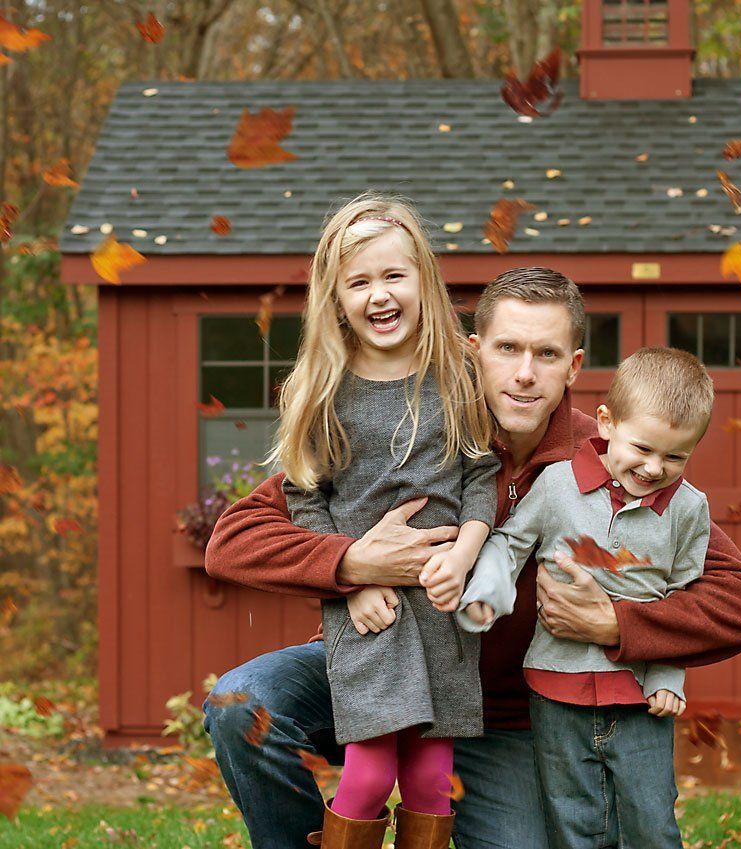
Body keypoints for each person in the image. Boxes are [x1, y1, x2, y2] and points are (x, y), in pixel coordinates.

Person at [203, 266, 741, 849]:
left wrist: (618, 624)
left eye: (547, 354)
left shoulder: (618, 463)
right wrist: (353, 564)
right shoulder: (414, 423)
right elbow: (235, 538)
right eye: (507, 349)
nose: (525, 374)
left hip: (504, 719)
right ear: (475, 352)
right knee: (241, 705)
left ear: (574, 367)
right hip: (375, 665)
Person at [264, 192, 499, 848]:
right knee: (367, 775)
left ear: (423, 278)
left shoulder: (454, 376)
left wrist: (467, 550)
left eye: (394, 275)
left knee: (431, 778)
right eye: (359, 281)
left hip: (442, 613)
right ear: (335, 297)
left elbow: (480, 474)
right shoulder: (321, 389)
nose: (379, 294)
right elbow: (305, 499)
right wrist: (352, 580)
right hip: (368, 615)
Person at [459, 347, 715, 849]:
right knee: (571, 819)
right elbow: (510, 542)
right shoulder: (558, 486)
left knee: (650, 820)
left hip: (640, 694)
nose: (654, 467)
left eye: (676, 456)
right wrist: (489, 591)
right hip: (555, 687)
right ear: (606, 423)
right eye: (642, 448)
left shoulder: (689, 509)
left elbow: (686, 596)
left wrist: (668, 673)